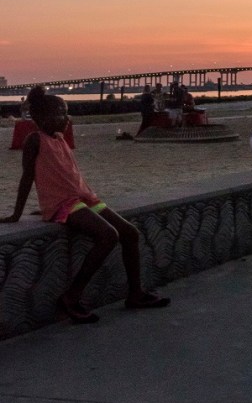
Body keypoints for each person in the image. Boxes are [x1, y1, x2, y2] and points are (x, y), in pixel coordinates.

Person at [1, 86, 171, 323]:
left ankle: (135, 294)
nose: (66, 118)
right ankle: (71, 297)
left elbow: (63, 173)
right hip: (64, 204)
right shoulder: (34, 140)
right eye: (61, 113)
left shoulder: (60, 138)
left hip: (84, 198)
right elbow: (27, 178)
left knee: (130, 233)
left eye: (67, 112)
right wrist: (16, 213)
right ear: (40, 117)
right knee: (108, 236)